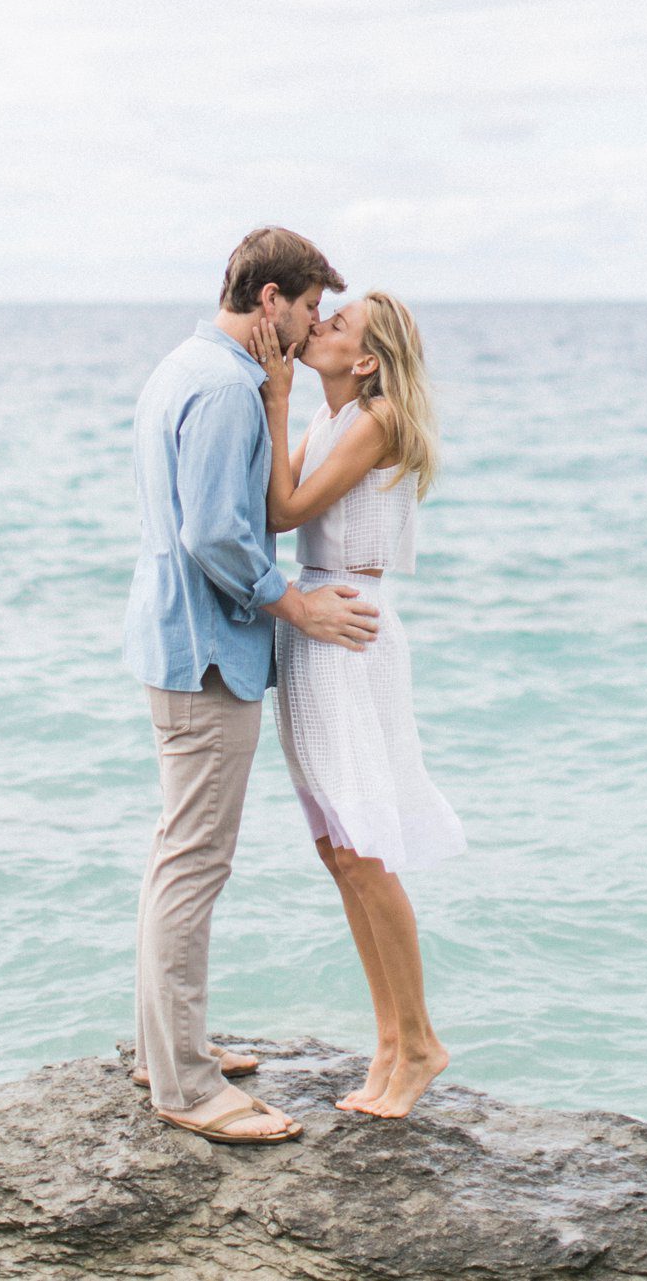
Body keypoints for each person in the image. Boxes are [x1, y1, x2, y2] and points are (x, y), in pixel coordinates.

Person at [123, 227, 380, 1146]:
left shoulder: (183, 364)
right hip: (208, 653)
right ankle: (185, 1083)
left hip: (175, 641)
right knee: (195, 861)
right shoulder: (227, 386)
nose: (315, 326)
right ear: (270, 299)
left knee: (176, 853)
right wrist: (299, 606)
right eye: (311, 308)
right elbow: (218, 535)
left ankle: (167, 1046)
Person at [250, 291, 466, 1119]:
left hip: (349, 629)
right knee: (338, 851)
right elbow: (281, 505)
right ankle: (389, 1040)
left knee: (367, 851)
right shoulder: (333, 419)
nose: (320, 328)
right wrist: (282, 409)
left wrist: (274, 400)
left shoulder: (372, 419)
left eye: (337, 325)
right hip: (315, 627)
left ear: (367, 359)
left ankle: (419, 1043)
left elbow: (287, 509)